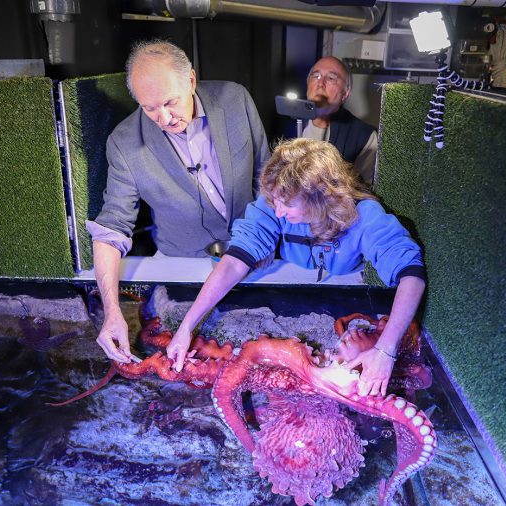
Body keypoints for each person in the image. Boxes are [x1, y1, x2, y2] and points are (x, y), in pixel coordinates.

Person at [167, 138, 426, 397]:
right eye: (274, 201)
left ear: (321, 197)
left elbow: (412, 276)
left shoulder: (365, 216)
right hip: (292, 273)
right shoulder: (272, 205)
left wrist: (384, 350)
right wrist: (186, 327)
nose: (278, 212)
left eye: (288, 204)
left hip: (346, 280)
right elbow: (234, 262)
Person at [88, 39, 270, 363]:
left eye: (170, 102)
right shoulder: (123, 143)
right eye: (149, 108)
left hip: (257, 261)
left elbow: (267, 177)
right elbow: (111, 227)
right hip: (184, 270)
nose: (164, 117)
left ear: (191, 80)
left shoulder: (236, 99)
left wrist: (268, 240)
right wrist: (111, 310)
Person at [303, 56, 377, 185]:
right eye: (316, 76)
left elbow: (365, 192)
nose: (320, 84)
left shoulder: (364, 137)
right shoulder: (287, 123)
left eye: (331, 78)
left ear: (345, 93)